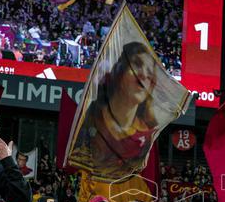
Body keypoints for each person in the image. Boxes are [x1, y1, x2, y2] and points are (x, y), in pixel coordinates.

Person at [68, 42, 163, 180]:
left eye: (149, 72)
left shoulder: (147, 137)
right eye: (137, 64)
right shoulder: (90, 118)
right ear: (120, 71)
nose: (143, 74)